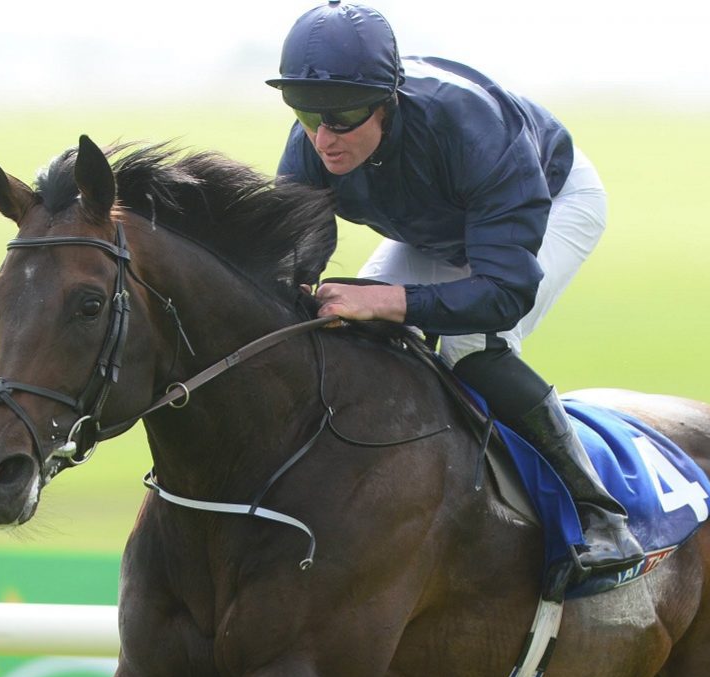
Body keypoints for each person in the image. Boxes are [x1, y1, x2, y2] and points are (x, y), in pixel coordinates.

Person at [269, 0, 644, 578]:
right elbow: (296, 255)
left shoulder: (475, 130)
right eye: (304, 111)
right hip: (437, 225)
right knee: (343, 329)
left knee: (470, 347)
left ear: (388, 101)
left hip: (551, 203)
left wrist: (386, 301)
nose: (323, 138)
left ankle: (600, 515)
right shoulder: (313, 141)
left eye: (342, 115)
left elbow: (502, 294)